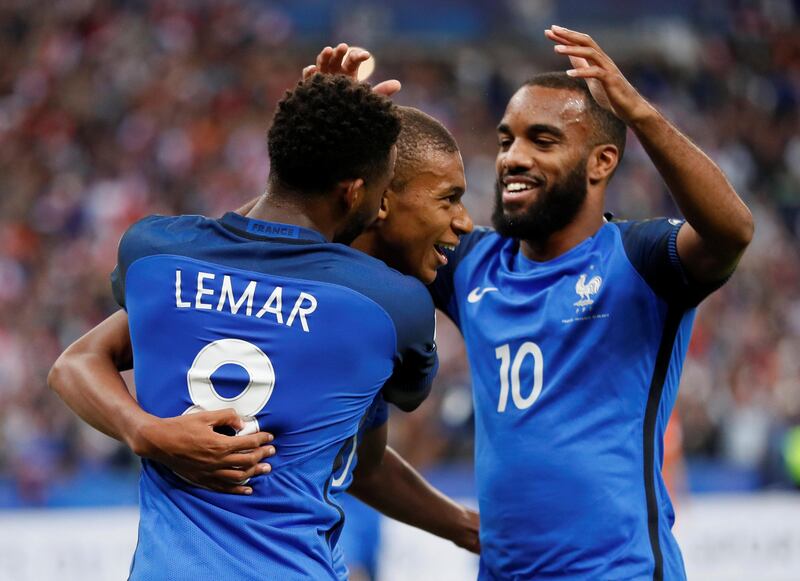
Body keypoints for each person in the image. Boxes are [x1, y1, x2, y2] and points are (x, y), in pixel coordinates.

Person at [49, 50, 479, 579]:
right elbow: (368, 454)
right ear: (358, 193)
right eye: (449, 199)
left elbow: (75, 362)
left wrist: (147, 432)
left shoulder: (155, 256)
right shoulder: (393, 310)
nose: (463, 220)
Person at [422, 26, 753, 580]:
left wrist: (640, 115)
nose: (513, 158)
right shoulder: (472, 265)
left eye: (542, 141)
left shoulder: (638, 259)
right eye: (506, 140)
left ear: (602, 162)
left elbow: (731, 232)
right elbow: (365, 234)